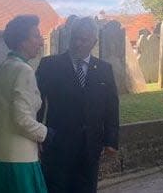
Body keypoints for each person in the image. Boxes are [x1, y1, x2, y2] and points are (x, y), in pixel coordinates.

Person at [36, 16, 119, 193]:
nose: (78, 44)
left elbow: (111, 107)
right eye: (75, 38)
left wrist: (111, 140)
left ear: (94, 42)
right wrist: (36, 137)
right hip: (58, 144)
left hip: (90, 146)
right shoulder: (50, 66)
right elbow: (37, 103)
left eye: (84, 39)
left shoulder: (104, 69)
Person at [0, 15, 54, 193]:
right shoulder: (24, 70)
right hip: (20, 158)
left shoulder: (3, 67)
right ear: (22, 42)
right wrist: (47, 134)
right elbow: (21, 119)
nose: (40, 42)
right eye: (36, 36)